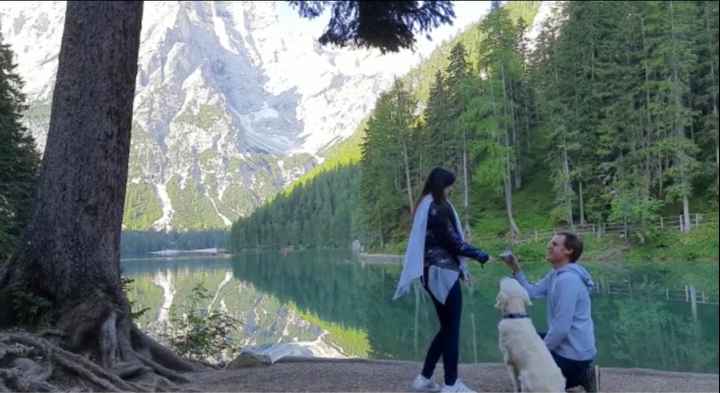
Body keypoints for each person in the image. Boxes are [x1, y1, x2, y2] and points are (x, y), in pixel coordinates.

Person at [394, 167, 489, 393]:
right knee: (452, 328)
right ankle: (451, 384)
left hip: (428, 273)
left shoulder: (424, 205)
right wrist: (479, 254)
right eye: (449, 186)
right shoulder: (438, 207)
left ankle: (424, 378)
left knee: (446, 327)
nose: (450, 190)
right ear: (442, 185)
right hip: (444, 273)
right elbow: (453, 242)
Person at [502, 232, 598, 392]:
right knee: (519, 339)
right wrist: (515, 267)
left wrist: (538, 353)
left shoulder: (568, 280)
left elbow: (561, 328)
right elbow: (531, 292)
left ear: (568, 251)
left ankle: (580, 375)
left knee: (530, 374)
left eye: (554, 244)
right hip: (568, 350)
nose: (549, 246)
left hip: (573, 356)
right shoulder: (556, 275)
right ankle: (581, 375)